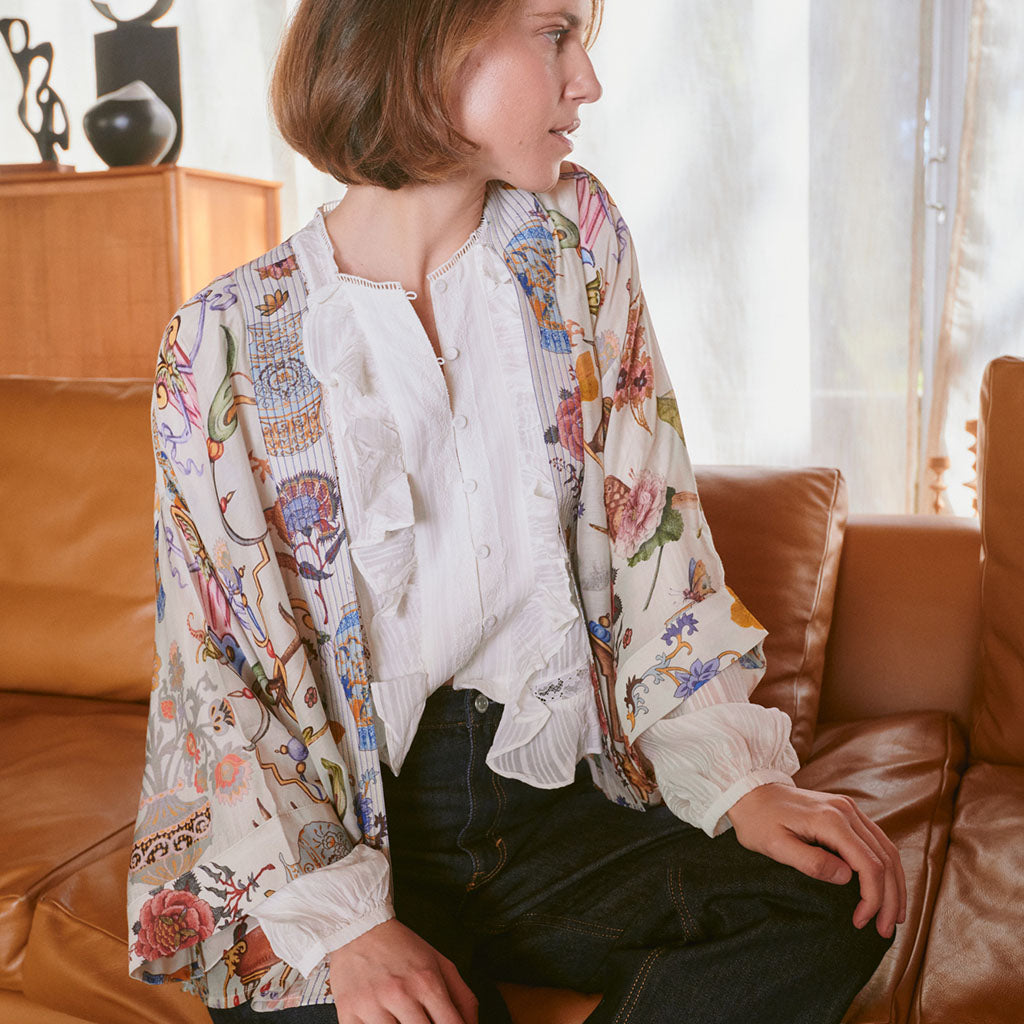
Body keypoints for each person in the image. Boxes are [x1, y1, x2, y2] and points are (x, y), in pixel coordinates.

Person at [127, 1, 906, 1021]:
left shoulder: (577, 244)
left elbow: (652, 533)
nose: (586, 80)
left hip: (554, 810)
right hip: (346, 830)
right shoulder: (219, 344)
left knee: (830, 894)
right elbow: (218, 684)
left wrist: (740, 782)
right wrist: (351, 926)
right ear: (424, 37)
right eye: (553, 34)